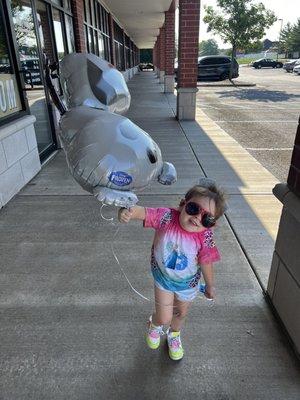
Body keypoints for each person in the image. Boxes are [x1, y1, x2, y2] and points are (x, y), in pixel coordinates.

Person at [118, 178, 227, 361]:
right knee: (164, 316)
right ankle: (155, 323)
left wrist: (210, 285)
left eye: (207, 218)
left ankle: (174, 335)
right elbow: (142, 212)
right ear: (182, 205)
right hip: (164, 279)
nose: (197, 218)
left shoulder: (204, 236)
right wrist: (127, 212)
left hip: (188, 283)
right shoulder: (167, 217)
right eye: (193, 209)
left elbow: (206, 262)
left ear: (212, 224)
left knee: (181, 313)